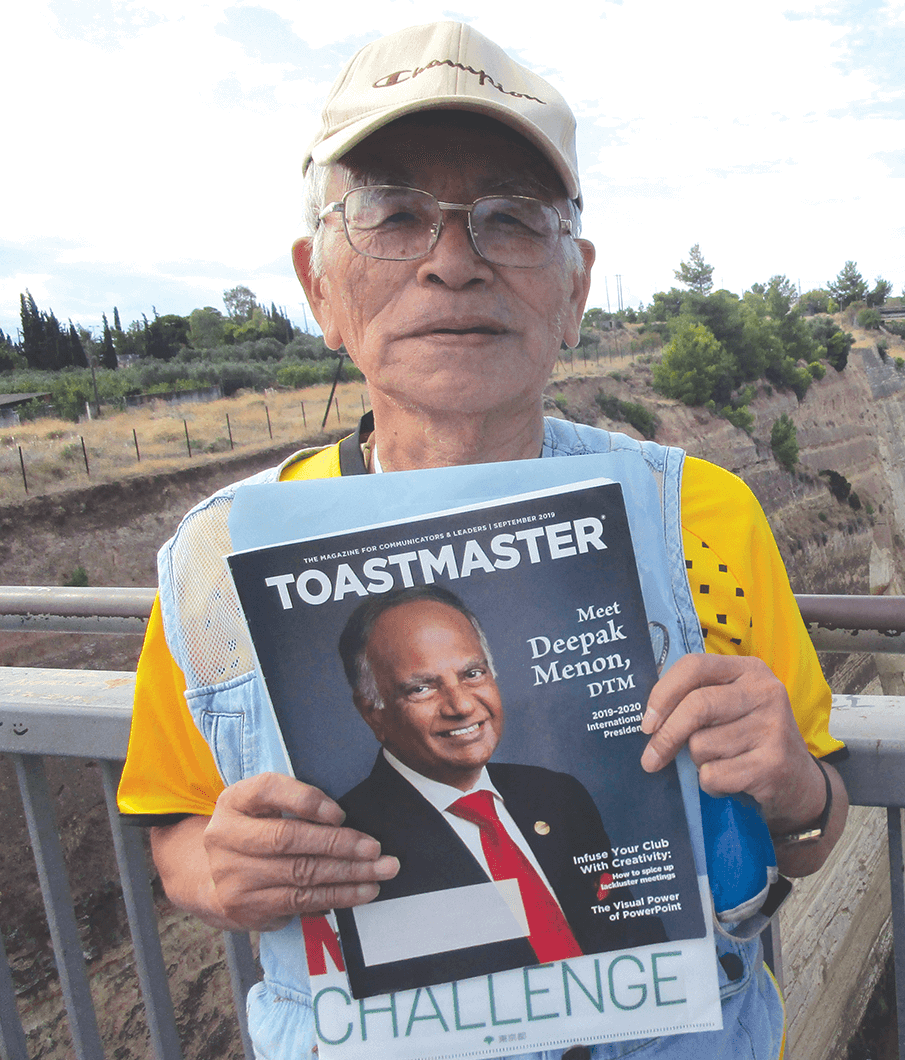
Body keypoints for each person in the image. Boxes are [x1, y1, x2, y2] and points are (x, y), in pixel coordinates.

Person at [115, 19, 848, 1060]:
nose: (452, 262)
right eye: (392, 214)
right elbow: (172, 832)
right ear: (316, 284)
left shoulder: (706, 514)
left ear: (576, 287)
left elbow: (813, 832)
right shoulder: (211, 562)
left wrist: (793, 783)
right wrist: (216, 872)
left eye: (510, 219)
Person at [331, 585, 664, 998]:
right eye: (421, 688)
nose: (461, 705)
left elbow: (633, 939)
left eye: (473, 674)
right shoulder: (345, 843)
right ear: (371, 711)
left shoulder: (557, 795)